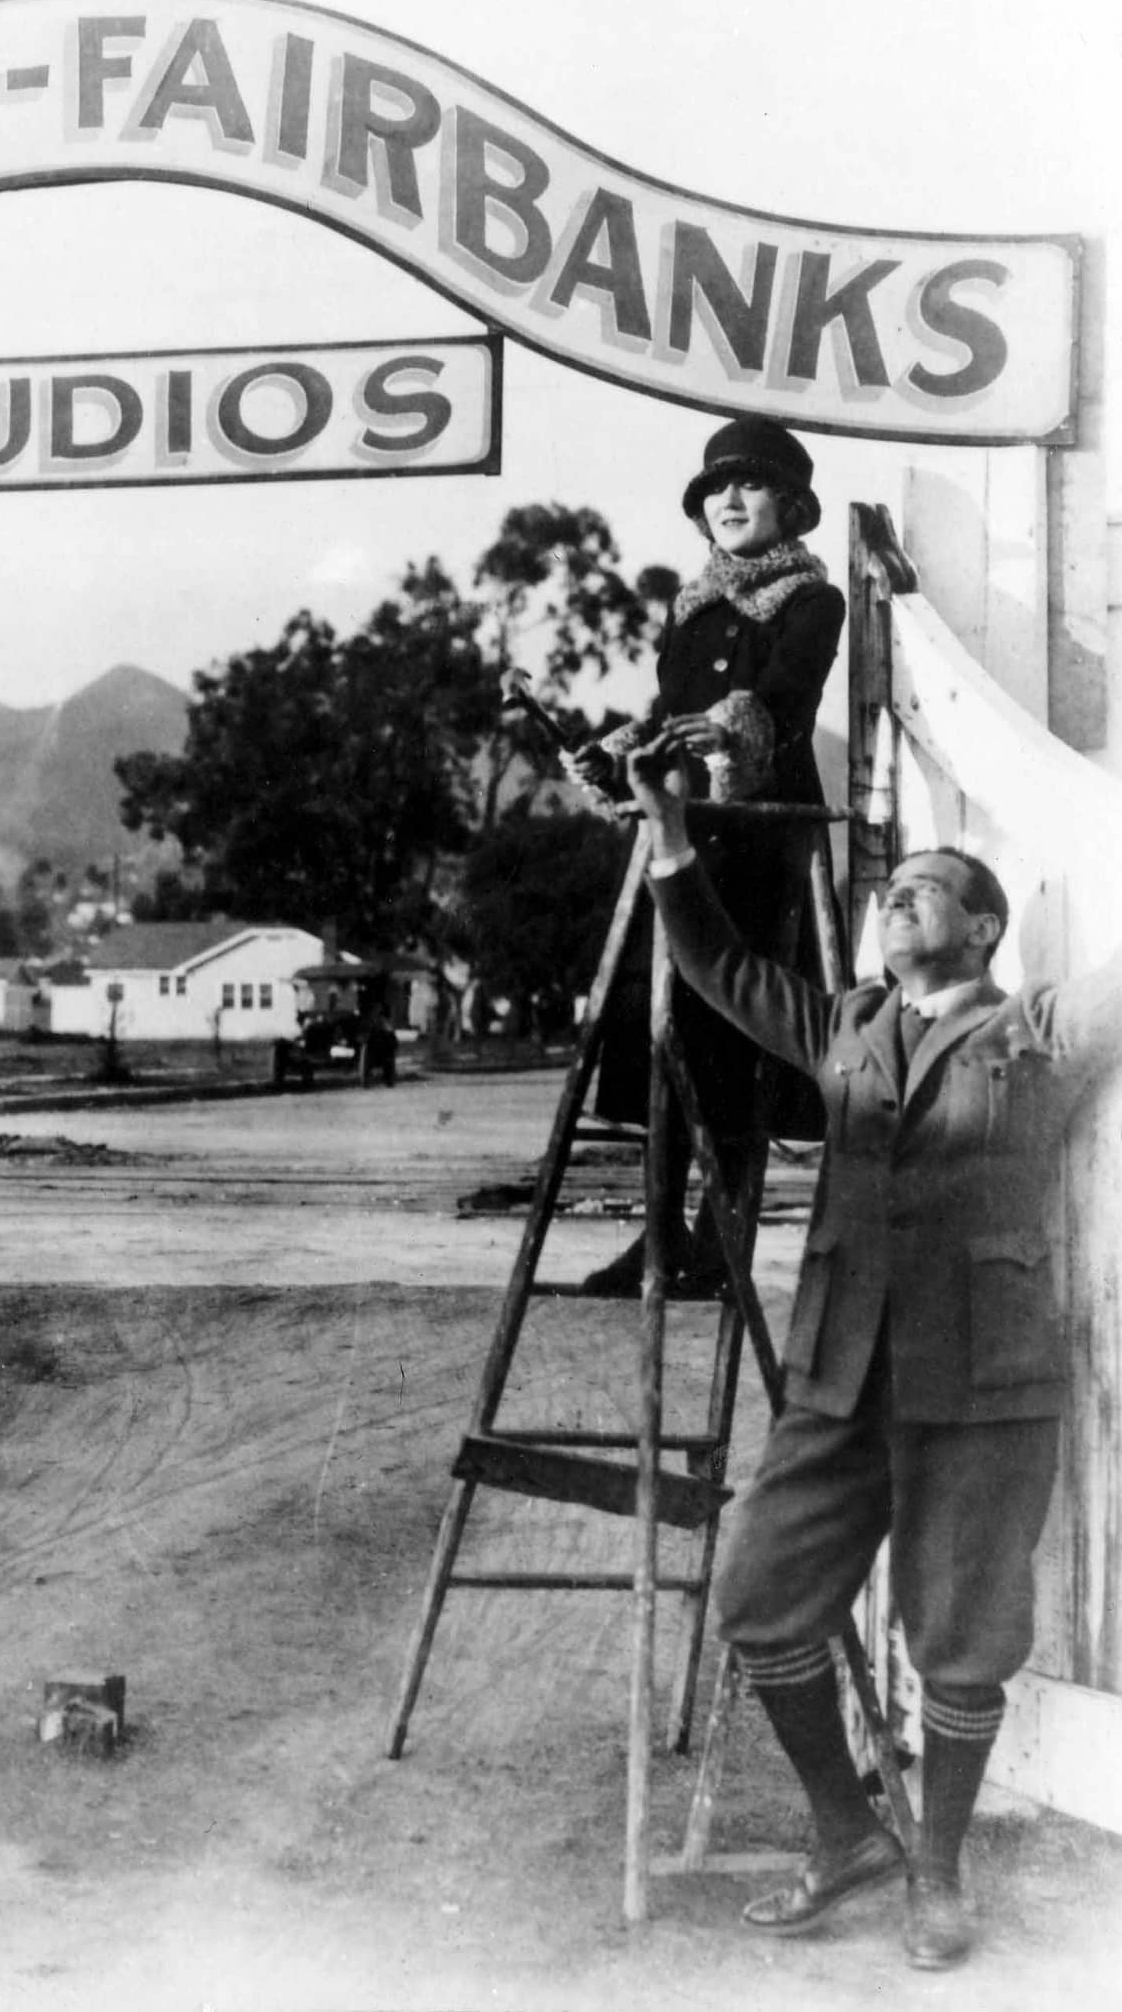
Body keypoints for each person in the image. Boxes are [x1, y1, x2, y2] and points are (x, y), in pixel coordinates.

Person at [625, 730, 1122, 1970]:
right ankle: (846, 1834)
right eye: (888, 892)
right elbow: (718, 965)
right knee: (760, 1599)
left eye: (925, 889)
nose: (895, 900)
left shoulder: (1037, 1033)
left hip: (984, 1383)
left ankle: (937, 1876)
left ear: (985, 926)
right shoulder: (845, 1023)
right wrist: (672, 838)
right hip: (838, 1376)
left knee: (960, 1639)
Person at [520, 414, 848, 1296]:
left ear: (790, 504)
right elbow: (669, 708)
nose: (729, 500)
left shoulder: (815, 600)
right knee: (658, 1028)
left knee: (742, 1035)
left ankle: (720, 1245)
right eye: (716, 490)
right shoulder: (692, 603)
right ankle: (659, 1240)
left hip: (762, 837)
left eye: (750, 486)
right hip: (686, 830)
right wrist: (617, 749)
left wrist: (729, 731)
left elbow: (782, 703)